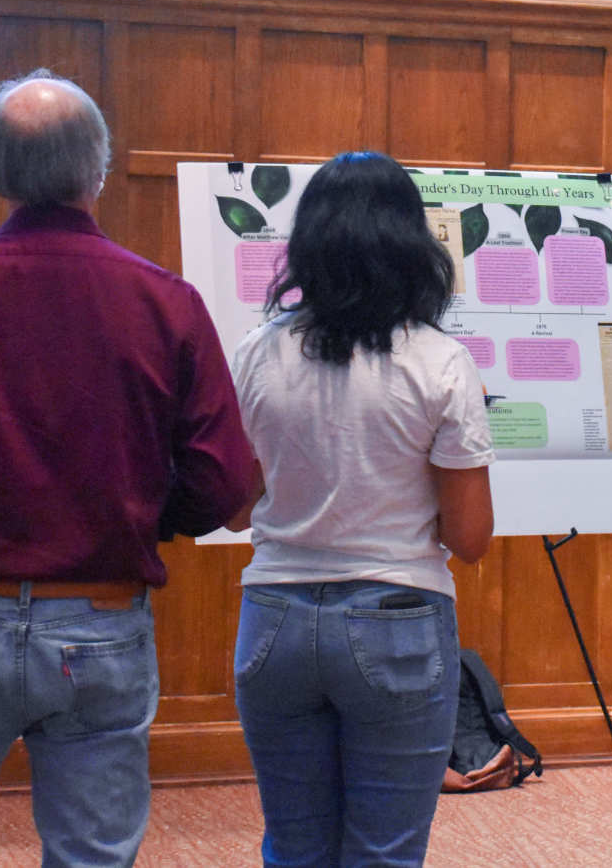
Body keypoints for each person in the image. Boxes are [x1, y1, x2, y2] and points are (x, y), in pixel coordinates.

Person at [0, 69, 255, 867]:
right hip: (101, 618)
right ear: (98, 169)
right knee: (93, 855)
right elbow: (222, 482)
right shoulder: (166, 303)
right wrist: (145, 514)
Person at [228, 151, 496, 867]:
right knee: (384, 854)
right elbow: (469, 537)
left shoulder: (257, 352)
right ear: (413, 246)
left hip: (274, 620)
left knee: (294, 847)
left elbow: (231, 509)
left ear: (309, 243)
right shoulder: (440, 362)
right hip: (397, 617)